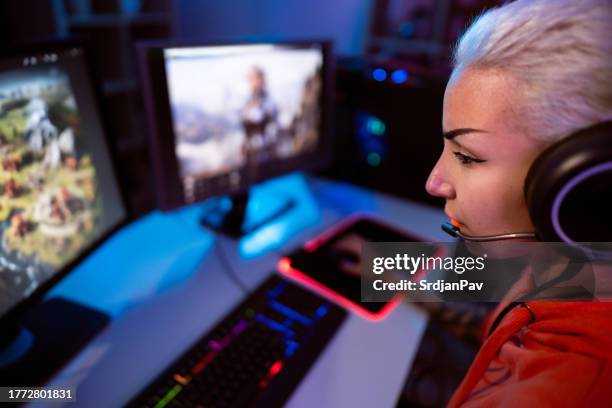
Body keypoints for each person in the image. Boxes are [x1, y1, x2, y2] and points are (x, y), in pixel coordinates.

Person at [424, 0, 612, 405]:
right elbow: (503, 328)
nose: (434, 182)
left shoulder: (566, 389)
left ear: (588, 184)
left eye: (468, 157)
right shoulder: (566, 274)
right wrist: (396, 278)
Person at [241, 66, 278, 162]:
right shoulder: (247, 101)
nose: (253, 83)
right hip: (250, 153)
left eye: (256, 78)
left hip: (266, 153)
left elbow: (273, 127)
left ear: (262, 80)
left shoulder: (269, 101)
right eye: (251, 79)